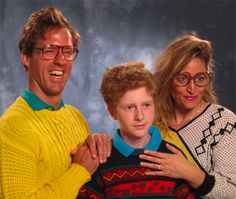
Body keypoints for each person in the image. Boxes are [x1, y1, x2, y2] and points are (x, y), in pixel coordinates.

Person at [0, 7, 111, 199]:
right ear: (26, 58)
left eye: (67, 51)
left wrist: (99, 150)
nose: (60, 60)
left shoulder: (76, 117)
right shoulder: (13, 127)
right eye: (49, 51)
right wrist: (79, 170)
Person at [77, 61, 197, 199]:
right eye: (129, 107)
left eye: (146, 105)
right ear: (112, 112)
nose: (139, 116)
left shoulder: (171, 156)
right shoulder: (100, 161)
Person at [139, 32, 236, 199]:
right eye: (182, 78)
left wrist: (188, 172)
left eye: (200, 78)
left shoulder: (223, 122)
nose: (192, 88)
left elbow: (232, 192)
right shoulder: (148, 122)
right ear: (168, 79)